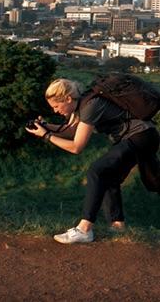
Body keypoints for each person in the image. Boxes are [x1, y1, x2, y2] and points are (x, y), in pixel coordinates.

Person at [26, 78, 160, 244]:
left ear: (68, 99)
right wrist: (45, 126)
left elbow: (76, 146)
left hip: (140, 136)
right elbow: (71, 131)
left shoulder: (90, 106)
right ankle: (117, 226)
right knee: (111, 176)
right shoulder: (82, 106)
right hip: (141, 136)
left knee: (97, 170)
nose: (55, 111)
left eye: (56, 106)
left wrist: (46, 136)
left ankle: (84, 229)